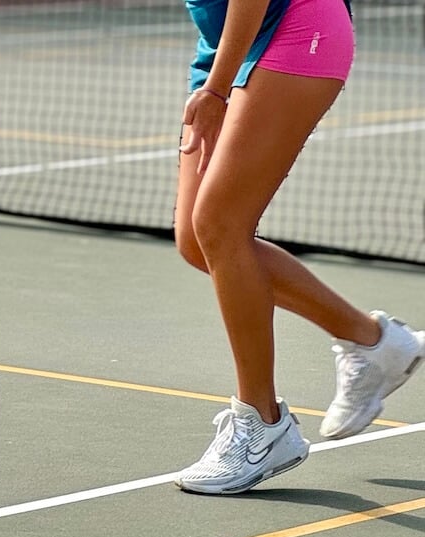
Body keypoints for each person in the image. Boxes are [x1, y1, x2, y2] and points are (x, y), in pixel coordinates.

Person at [171, 0, 425, 495]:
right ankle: (375, 343)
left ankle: (261, 426)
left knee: (220, 223)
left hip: (294, 26)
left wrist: (218, 88)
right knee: (198, 242)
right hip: (224, 38)